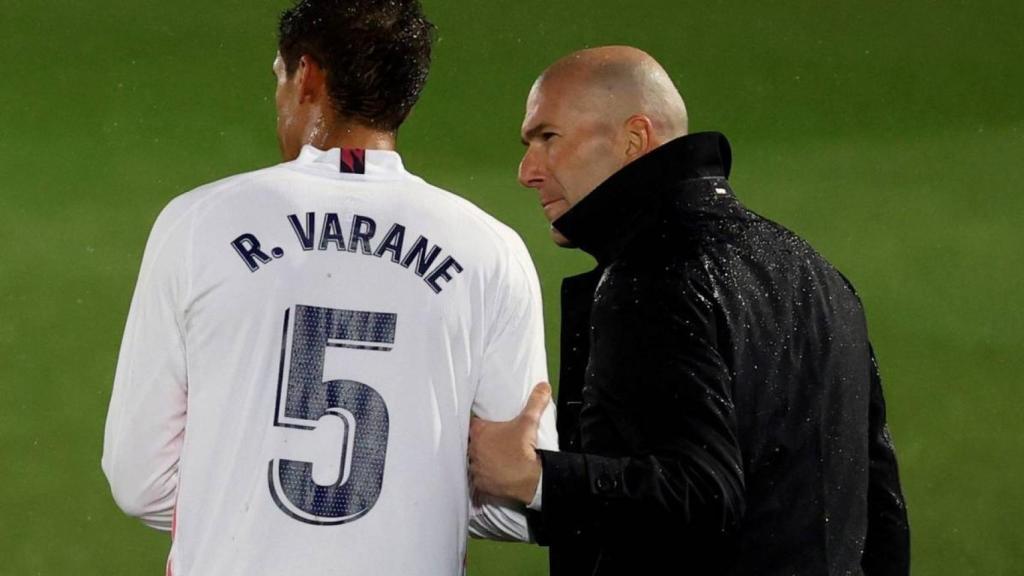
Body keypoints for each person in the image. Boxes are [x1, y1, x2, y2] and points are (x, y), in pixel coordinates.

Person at [101, 1, 556, 574]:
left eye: (280, 79)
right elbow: (520, 501)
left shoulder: (197, 224)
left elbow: (139, 480)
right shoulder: (492, 251)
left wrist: (251, 506)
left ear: (308, 77)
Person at [468, 46, 910, 575]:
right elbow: (879, 508)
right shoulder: (817, 274)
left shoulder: (654, 274)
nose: (527, 171)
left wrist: (533, 477)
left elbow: (702, 495)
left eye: (548, 138)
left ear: (634, 139)